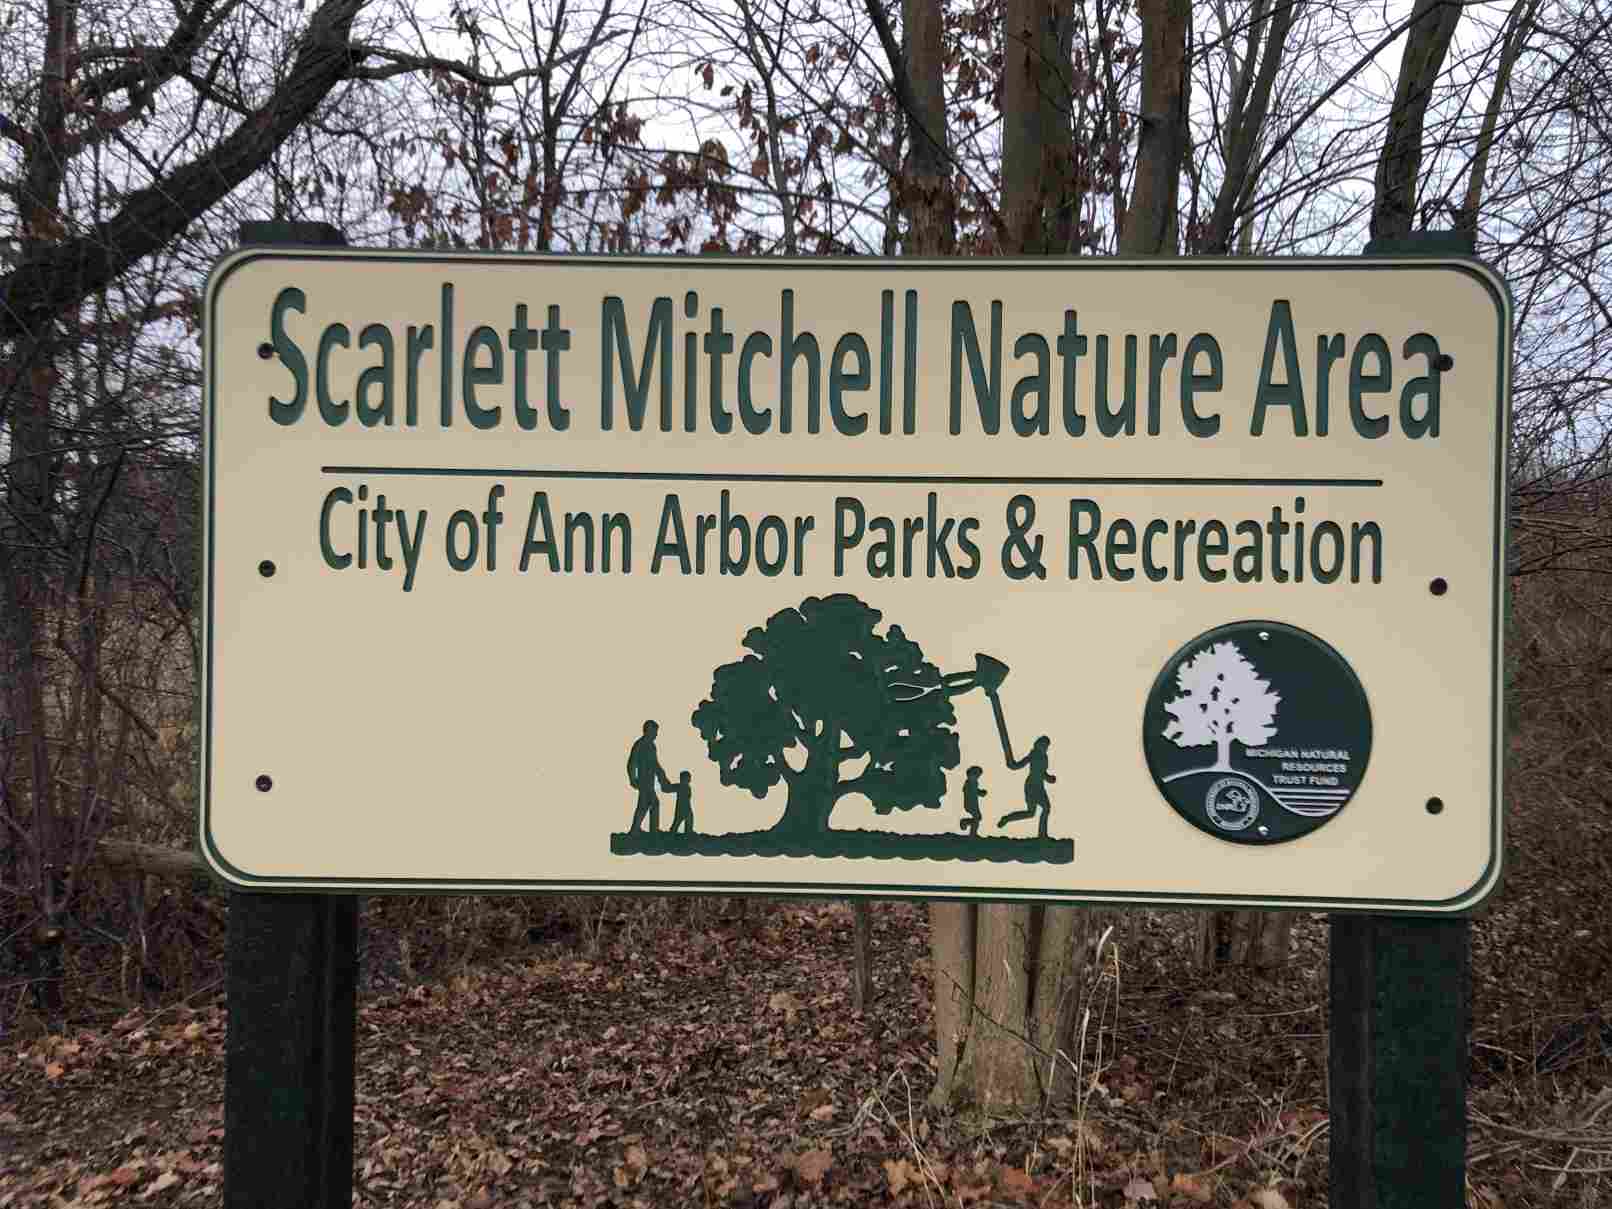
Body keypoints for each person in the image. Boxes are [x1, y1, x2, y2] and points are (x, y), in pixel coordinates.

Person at [997, 735, 1056, 839]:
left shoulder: (1044, 757)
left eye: (1046, 745)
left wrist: (1049, 778)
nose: (1045, 747)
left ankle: (1042, 835)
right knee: (1031, 813)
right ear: (1038, 745)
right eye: (1043, 745)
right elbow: (1017, 765)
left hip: (1040, 787)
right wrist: (1011, 763)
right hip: (1031, 786)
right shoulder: (1033, 755)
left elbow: (1042, 772)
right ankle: (1007, 818)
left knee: (1045, 808)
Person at [627, 720, 672, 833]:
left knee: (644, 805)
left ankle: (636, 829)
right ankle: (649, 830)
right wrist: (632, 779)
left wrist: (662, 776)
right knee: (652, 804)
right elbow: (632, 762)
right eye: (655, 731)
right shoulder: (640, 744)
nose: (656, 734)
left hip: (650, 781)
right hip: (644, 780)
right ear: (648, 731)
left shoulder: (651, 745)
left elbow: (655, 763)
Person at [959, 766, 986, 837]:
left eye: (978, 775)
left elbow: (974, 791)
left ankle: (965, 822)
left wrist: (980, 792)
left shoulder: (974, 782)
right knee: (977, 818)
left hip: (974, 804)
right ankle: (973, 834)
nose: (978, 776)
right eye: (976, 774)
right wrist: (980, 792)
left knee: (978, 818)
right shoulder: (969, 783)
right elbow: (970, 791)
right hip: (970, 804)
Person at [668, 771, 696, 835]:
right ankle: (671, 835)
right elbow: (668, 789)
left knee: (688, 824)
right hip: (681, 809)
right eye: (687, 778)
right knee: (676, 824)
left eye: (689, 778)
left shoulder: (688, 787)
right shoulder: (679, 786)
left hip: (687, 809)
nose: (689, 780)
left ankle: (688, 833)